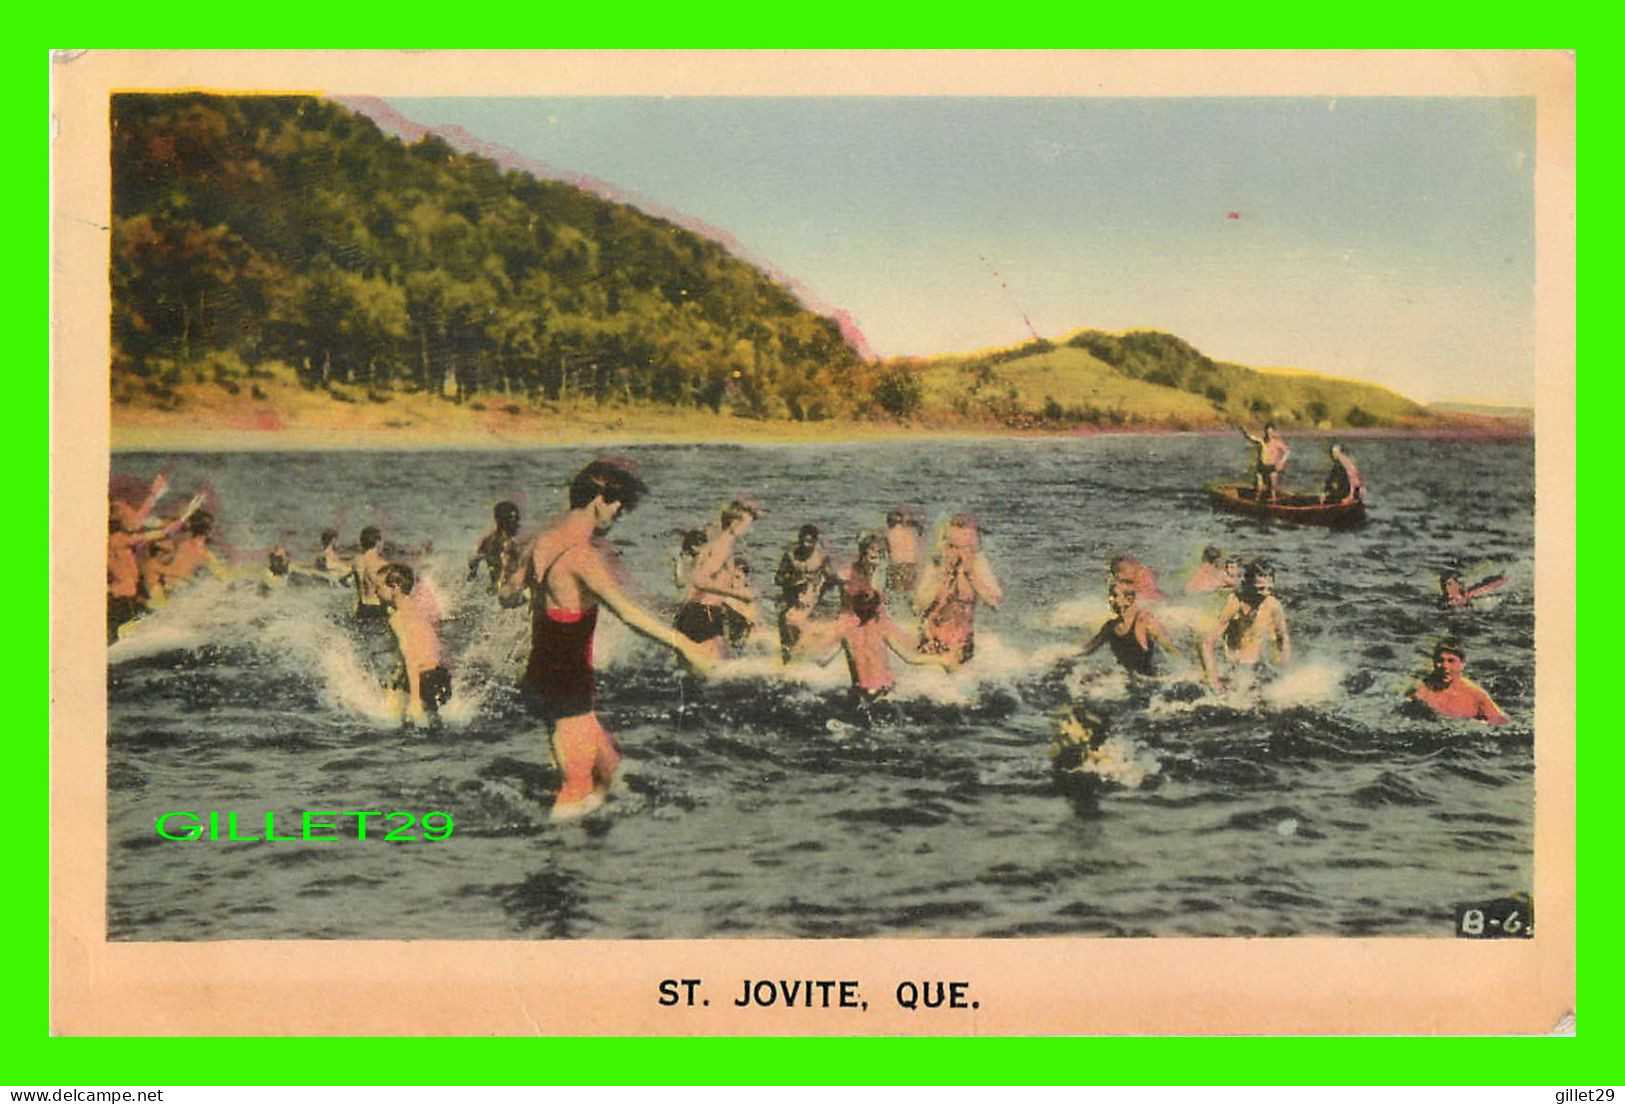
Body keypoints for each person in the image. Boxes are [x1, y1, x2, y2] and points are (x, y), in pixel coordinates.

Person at [503, 459, 714, 819]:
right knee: (578, 785)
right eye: (617, 503)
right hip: (567, 677)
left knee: (610, 769)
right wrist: (684, 644)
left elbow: (506, 595)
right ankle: (554, 862)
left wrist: (542, 592)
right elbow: (628, 614)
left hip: (544, 670)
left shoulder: (542, 539)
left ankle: (589, 851)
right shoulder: (582, 556)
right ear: (598, 497)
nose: (619, 512)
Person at [808, 584, 951, 699]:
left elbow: (823, 661)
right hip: (884, 694)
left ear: (856, 609)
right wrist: (942, 660)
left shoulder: (847, 634)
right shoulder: (882, 629)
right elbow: (909, 658)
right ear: (877, 609)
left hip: (860, 695)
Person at [106, 485, 201, 642]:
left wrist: (153, 495)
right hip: (125, 599)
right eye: (126, 513)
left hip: (121, 596)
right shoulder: (122, 540)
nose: (132, 516)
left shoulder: (114, 538)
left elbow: (138, 522)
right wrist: (185, 516)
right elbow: (162, 532)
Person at [915, 514, 1003, 667]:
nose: (959, 554)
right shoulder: (936, 565)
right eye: (953, 547)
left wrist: (971, 577)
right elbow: (918, 606)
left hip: (962, 644)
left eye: (966, 548)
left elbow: (996, 603)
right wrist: (942, 576)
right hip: (932, 642)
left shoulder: (977, 563)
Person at [674, 500, 760, 655]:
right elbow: (700, 581)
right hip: (703, 613)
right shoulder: (722, 548)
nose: (750, 529)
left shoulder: (719, 544)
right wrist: (738, 595)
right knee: (717, 665)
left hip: (697, 611)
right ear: (734, 524)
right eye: (748, 524)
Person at [378, 562, 453, 725]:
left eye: (380, 587)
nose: (376, 591)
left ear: (395, 588)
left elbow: (411, 657)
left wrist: (414, 701)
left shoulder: (397, 617)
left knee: (391, 709)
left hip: (424, 681)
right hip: (441, 677)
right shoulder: (417, 608)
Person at [1201, 559, 1292, 691]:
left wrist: (1284, 668)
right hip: (1234, 666)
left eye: (1269, 588)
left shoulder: (1273, 605)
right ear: (1247, 584)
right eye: (1260, 589)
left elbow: (1283, 638)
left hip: (1258, 665)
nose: (1265, 593)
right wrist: (1213, 679)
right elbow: (1207, 642)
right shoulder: (1234, 603)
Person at [1081, 581, 1181, 676]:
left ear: (1128, 600)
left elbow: (1171, 649)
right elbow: (1088, 649)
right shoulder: (1110, 627)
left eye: (1115, 595)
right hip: (1123, 680)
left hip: (1148, 681)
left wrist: (1188, 670)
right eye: (1110, 596)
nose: (1110, 600)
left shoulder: (1143, 622)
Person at [141, 509, 231, 605]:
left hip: (168, 589)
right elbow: (223, 576)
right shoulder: (205, 554)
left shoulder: (179, 543)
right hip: (181, 590)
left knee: (150, 567)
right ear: (208, 531)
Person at [1406, 640, 1508, 725]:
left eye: (1451, 661)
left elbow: (1503, 723)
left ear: (1462, 664)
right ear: (1433, 662)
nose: (1445, 666)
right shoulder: (1420, 690)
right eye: (1440, 661)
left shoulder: (1477, 695)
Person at [774, 524, 839, 610]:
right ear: (799, 540)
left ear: (815, 541)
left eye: (809, 542)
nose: (805, 545)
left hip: (813, 596)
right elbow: (777, 579)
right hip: (792, 595)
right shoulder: (790, 556)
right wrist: (791, 578)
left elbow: (832, 579)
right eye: (802, 541)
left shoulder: (821, 557)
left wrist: (822, 586)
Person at [468, 501, 522, 593]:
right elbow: (504, 568)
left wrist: (472, 576)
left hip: (494, 588)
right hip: (506, 590)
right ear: (503, 521)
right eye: (514, 520)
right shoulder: (508, 544)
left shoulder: (487, 540)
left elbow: (474, 561)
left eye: (517, 519)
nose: (518, 524)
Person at [349, 525, 390, 622]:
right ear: (377, 542)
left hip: (361, 607)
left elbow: (344, 579)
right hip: (376, 608)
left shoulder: (357, 561)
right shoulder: (381, 563)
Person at [1240, 423, 1290, 501]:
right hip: (1261, 467)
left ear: (1273, 433)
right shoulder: (1261, 441)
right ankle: (1256, 503)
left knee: (1272, 490)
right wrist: (1245, 432)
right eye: (1267, 432)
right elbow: (1250, 438)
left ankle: (1273, 504)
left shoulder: (1277, 442)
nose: (1268, 434)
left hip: (1272, 468)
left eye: (1270, 432)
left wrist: (1282, 461)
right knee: (1259, 488)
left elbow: (1287, 451)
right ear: (1264, 432)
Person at [884, 509, 924, 595]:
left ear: (889, 523)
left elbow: (885, 553)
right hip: (912, 568)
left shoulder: (889, 534)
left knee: (891, 596)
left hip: (897, 567)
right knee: (909, 595)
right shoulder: (911, 533)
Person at [842, 532, 888, 607]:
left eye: (879, 551)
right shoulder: (853, 570)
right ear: (864, 552)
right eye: (872, 549)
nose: (876, 553)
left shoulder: (882, 571)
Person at [1439, 570, 1509, 609]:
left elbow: (1488, 587)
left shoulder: (1469, 593)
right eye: (1458, 581)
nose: (1461, 584)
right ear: (1448, 584)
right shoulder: (1445, 602)